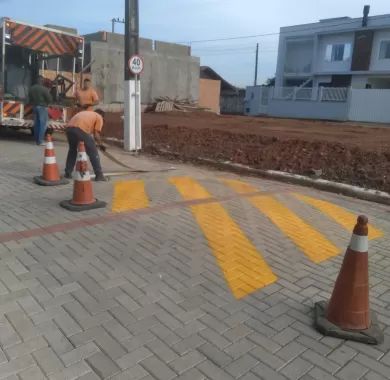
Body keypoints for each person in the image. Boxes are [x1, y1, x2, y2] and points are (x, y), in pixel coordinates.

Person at [64, 109, 107, 181]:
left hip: (69, 129)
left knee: (72, 151)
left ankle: (68, 173)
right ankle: (99, 175)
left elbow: (88, 134)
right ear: (102, 116)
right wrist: (101, 144)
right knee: (93, 152)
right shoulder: (99, 117)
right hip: (80, 129)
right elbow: (96, 135)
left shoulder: (86, 113)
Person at [29, 76, 52, 145]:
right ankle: (40, 141)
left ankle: (36, 140)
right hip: (42, 108)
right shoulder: (44, 89)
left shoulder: (31, 88)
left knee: (36, 124)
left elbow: (29, 97)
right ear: (41, 81)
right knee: (42, 125)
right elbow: (49, 99)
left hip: (34, 107)